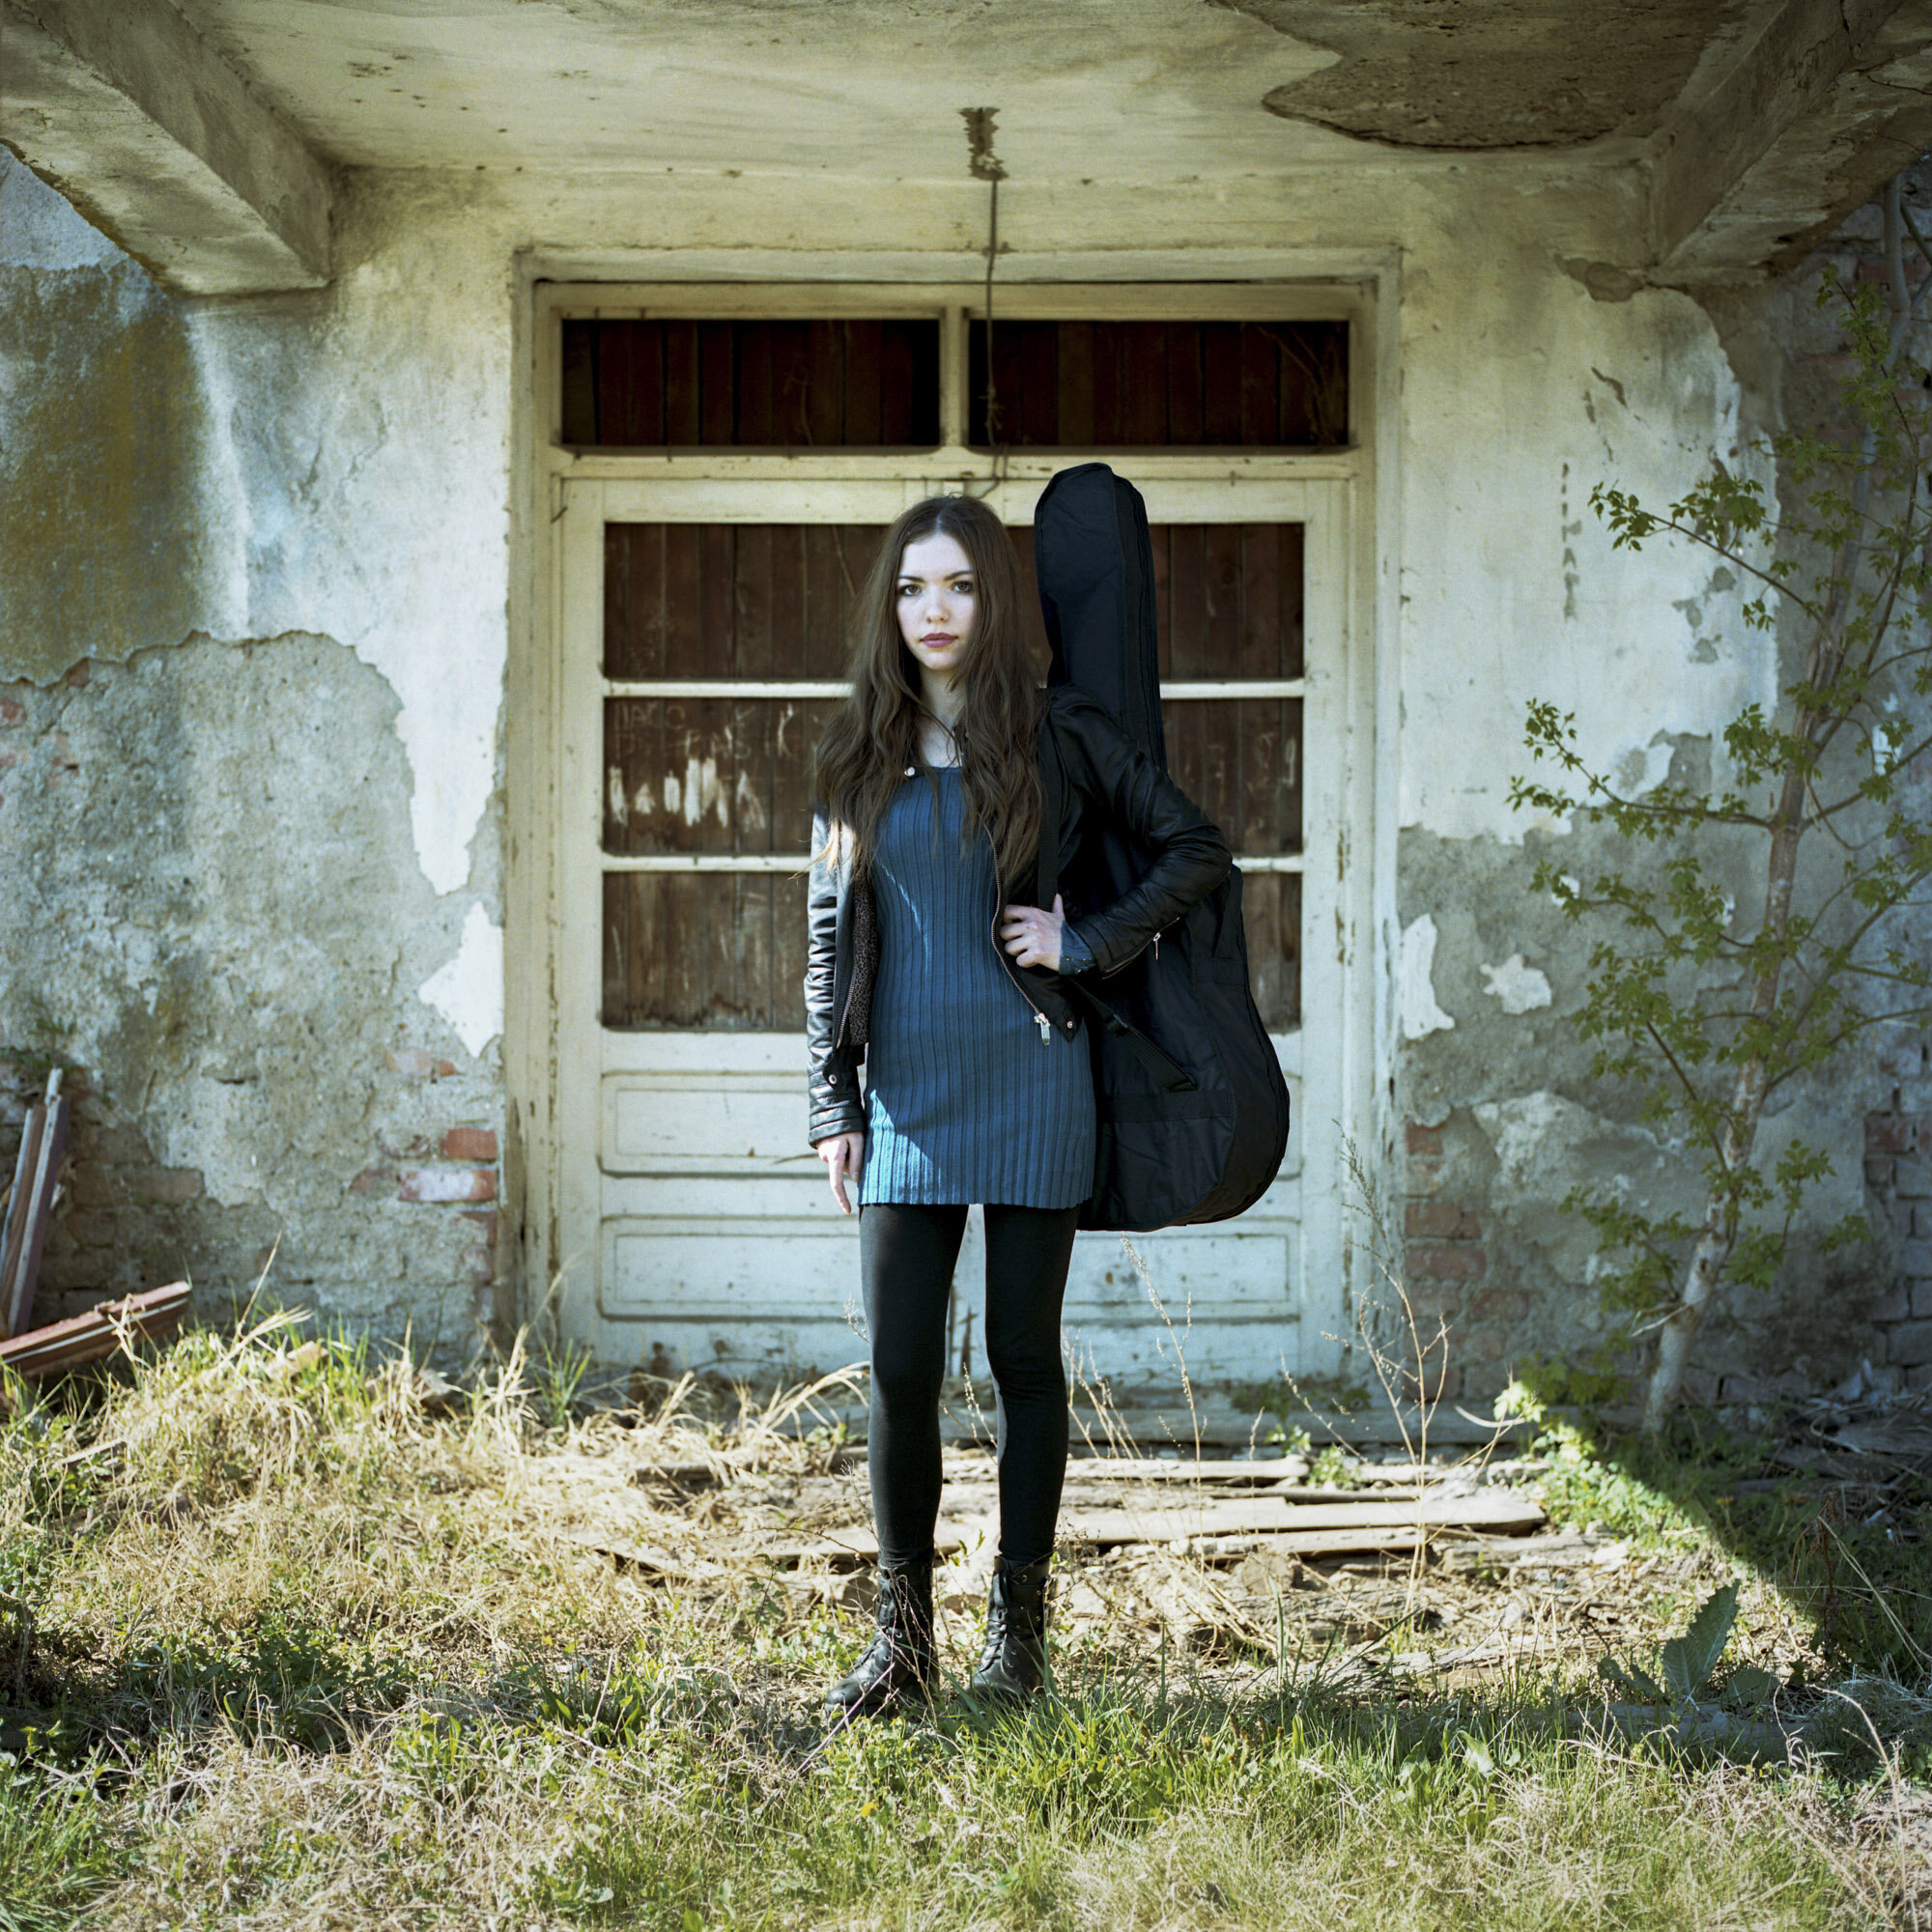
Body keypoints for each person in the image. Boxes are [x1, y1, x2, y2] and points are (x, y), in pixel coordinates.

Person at [805, 492, 1229, 1719]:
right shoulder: (855, 755)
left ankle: (1017, 1643)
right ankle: (902, 1646)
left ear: (992, 600)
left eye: (958, 586)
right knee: (897, 1371)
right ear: (889, 607)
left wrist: (1082, 937)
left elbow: (1192, 849)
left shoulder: (1056, 733)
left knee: (1019, 1362)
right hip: (906, 1102)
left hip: (1035, 1082)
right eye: (909, 588)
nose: (932, 610)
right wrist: (830, 1101)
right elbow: (827, 941)